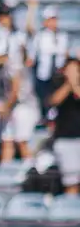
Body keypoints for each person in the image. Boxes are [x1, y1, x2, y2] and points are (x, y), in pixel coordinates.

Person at [48, 56, 80, 195]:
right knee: (71, 182)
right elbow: (53, 100)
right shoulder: (58, 83)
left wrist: (76, 85)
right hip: (66, 139)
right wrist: (69, 85)